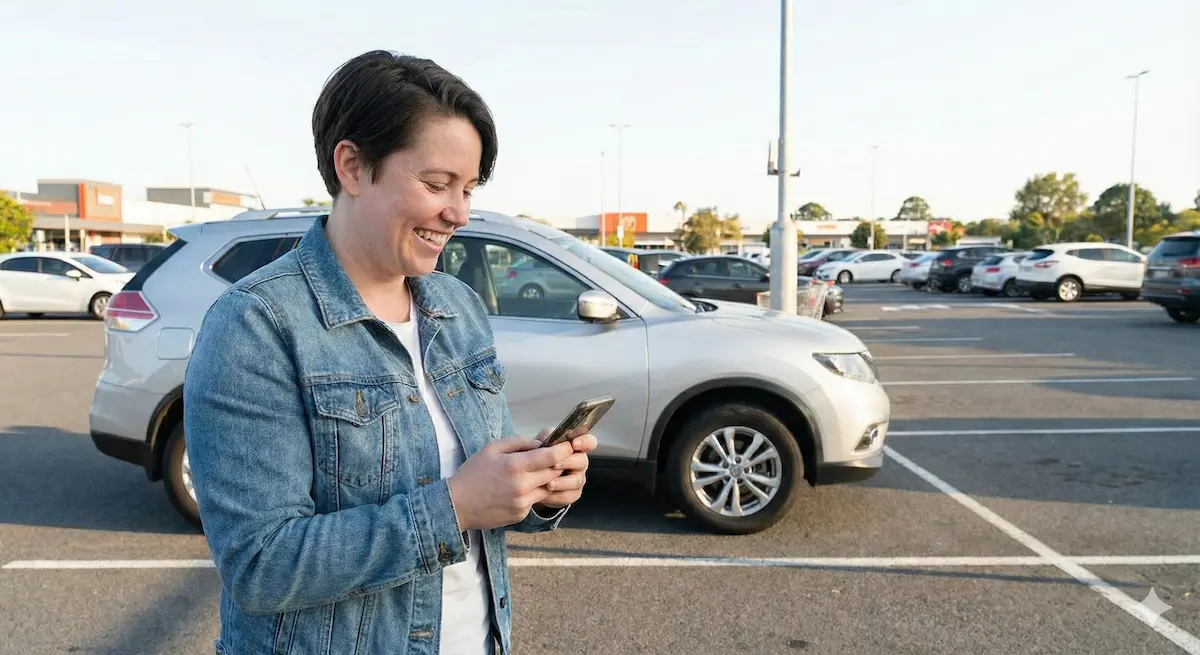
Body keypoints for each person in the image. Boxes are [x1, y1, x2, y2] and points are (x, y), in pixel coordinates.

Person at [182, 50, 598, 655]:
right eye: (435, 185)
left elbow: (486, 487)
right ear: (352, 166)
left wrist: (536, 489)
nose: (459, 213)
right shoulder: (257, 324)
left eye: (468, 188)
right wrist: (453, 508)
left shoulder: (458, 307)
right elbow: (260, 566)